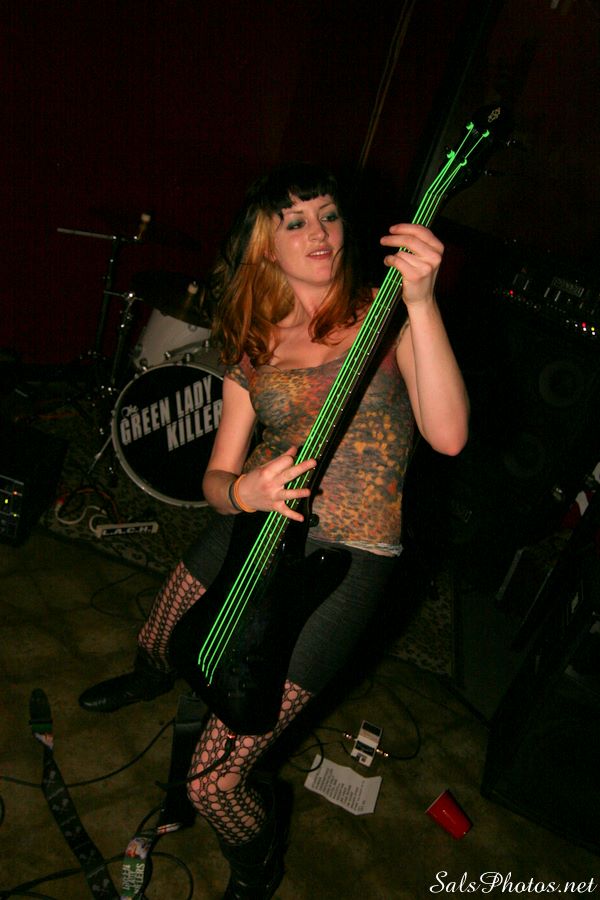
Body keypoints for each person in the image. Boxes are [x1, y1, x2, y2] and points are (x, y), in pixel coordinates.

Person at [78, 162, 469, 899]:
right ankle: (150, 678)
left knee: (215, 782)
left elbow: (448, 435)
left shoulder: (385, 316)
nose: (319, 233)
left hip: (346, 559)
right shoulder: (253, 342)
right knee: (162, 634)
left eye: (329, 215)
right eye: (296, 222)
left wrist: (421, 301)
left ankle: (256, 870)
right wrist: (243, 490)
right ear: (265, 245)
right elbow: (215, 481)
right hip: (256, 524)